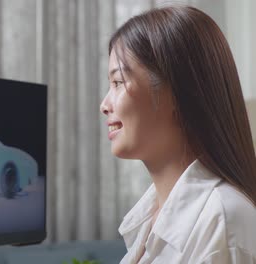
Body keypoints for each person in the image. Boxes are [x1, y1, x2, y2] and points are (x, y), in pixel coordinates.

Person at [100, 5, 256, 263]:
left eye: (118, 83)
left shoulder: (223, 221)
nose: (105, 104)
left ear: (177, 94)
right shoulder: (149, 217)